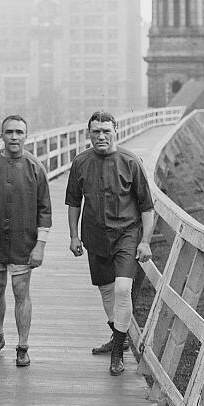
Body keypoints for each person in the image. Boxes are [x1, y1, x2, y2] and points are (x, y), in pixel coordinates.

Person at [66, 110, 155, 376]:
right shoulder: (80, 162)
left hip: (127, 235)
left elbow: (147, 207)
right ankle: (119, 337)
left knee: (122, 290)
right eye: (96, 131)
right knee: (106, 291)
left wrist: (146, 241)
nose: (101, 136)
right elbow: (73, 202)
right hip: (95, 235)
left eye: (106, 131)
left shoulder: (130, 161)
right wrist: (73, 235)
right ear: (89, 133)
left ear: (116, 130)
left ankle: (117, 352)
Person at [0, 114, 52, 368]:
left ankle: (23, 346)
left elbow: (45, 210)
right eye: (9, 132)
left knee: (20, 292)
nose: (14, 137)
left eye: (19, 132)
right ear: (2, 135)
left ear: (26, 136)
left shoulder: (35, 167)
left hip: (23, 241)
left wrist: (40, 245)